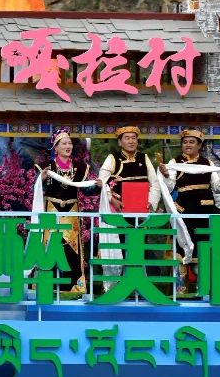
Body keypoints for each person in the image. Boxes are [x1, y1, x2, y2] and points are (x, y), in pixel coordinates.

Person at [36, 129, 102, 294]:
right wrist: (41, 179)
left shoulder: (80, 167)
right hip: (51, 209)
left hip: (72, 210)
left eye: (70, 143)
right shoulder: (46, 168)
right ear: (55, 147)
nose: (68, 146)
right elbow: (35, 190)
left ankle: (73, 287)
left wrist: (96, 187)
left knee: (72, 247)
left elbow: (85, 190)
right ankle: (46, 285)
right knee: (49, 245)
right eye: (64, 143)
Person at [165, 129, 220, 296]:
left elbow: (217, 188)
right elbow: (169, 186)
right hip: (184, 212)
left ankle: (204, 288)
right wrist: (165, 176)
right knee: (181, 248)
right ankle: (180, 290)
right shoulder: (174, 162)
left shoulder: (207, 163)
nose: (188, 145)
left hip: (204, 213)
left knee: (203, 249)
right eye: (185, 142)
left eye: (192, 142)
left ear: (199, 145)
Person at [98, 126, 161, 213]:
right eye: (127, 138)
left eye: (133, 138)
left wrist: (151, 202)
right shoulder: (112, 158)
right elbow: (102, 182)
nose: (131, 141)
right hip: (117, 208)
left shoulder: (144, 158)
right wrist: (111, 199)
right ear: (120, 142)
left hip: (142, 208)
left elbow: (155, 183)